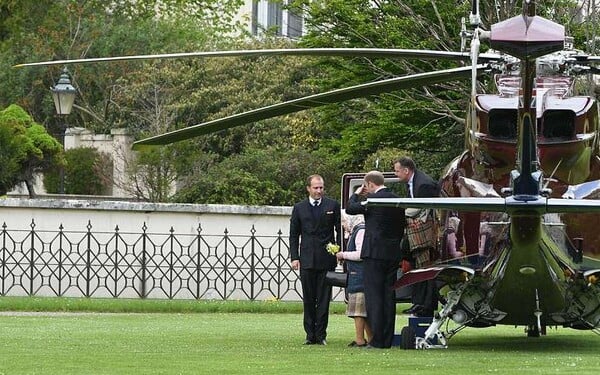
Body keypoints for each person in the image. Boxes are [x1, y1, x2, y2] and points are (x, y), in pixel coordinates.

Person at [346, 170, 405, 349]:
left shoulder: (373, 201)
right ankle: (386, 339)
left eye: (367, 186)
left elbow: (350, 208)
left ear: (370, 184)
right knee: (388, 297)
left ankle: (377, 340)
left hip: (374, 254)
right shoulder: (397, 200)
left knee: (374, 297)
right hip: (392, 254)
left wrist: (356, 194)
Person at [289, 174, 341, 345]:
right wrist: (294, 257)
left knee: (324, 299)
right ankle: (309, 335)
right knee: (309, 298)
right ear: (308, 189)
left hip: (326, 259)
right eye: (316, 188)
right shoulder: (299, 208)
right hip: (307, 259)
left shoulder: (332, 205)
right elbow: (294, 234)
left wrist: (339, 251)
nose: (319, 191)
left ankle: (321, 335)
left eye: (321, 188)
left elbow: (339, 230)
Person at [393, 156, 441, 317]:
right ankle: (418, 302)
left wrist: (399, 212)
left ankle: (426, 305)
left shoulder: (424, 184)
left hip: (425, 233)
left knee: (425, 269)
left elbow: (423, 209)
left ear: (406, 170)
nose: (396, 174)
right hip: (416, 232)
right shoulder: (413, 183)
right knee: (416, 266)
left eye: (397, 171)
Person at [337, 213, 372, 347]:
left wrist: (343, 255)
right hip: (357, 275)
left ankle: (360, 340)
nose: (343, 225)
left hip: (360, 276)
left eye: (344, 222)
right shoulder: (357, 231)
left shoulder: (360, 231)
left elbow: (361, 253)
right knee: (362, 312)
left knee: (359, 311)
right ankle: (369, 338)